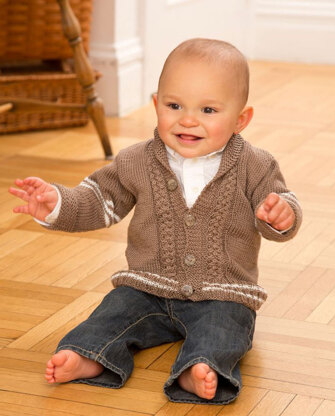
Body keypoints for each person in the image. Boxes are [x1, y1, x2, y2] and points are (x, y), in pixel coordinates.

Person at [9, 38, 302, 405]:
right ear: (155, 104)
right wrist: (56, 204)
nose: (188, 119)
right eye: (174, 105)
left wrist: (281, 214)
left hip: (222, 293)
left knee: (224, 329)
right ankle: (89, 354)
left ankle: (200, 367)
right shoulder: (137, 160)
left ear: (240, 119)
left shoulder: (256, 165)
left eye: (208, 110)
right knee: (112, 313)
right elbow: (99, 200)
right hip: (146, 286)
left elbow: (282, 205)